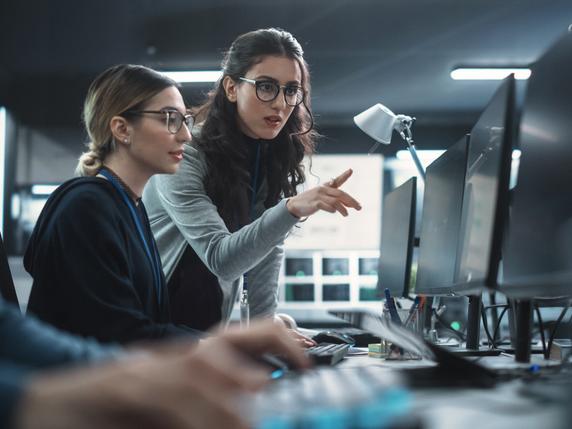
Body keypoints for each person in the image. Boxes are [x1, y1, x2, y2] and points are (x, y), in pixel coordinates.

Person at [143, 28, 361, 331]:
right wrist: (290, 209)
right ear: (231, 88)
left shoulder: (269, 156)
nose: (281, 104)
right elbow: (223, 260)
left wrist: (264, 331)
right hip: (156, 335)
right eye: (266, 87)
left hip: (206, 332)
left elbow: (266, 249)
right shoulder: (185, 154)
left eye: (290, 90)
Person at [24, 64, 203, 343]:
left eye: (185, 120)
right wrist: (226, 346)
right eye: (170, 118)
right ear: (122, 129)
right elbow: (119, 334)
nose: (186, 135)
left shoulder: (130, 206)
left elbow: (143, 325)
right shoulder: (86, 207)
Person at [0, 296, 309, 429]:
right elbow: (118, 326)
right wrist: (28, 401)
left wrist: (192, 359)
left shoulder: (133, 208)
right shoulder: (84, 202)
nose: (186, 155)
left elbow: (12, 330)